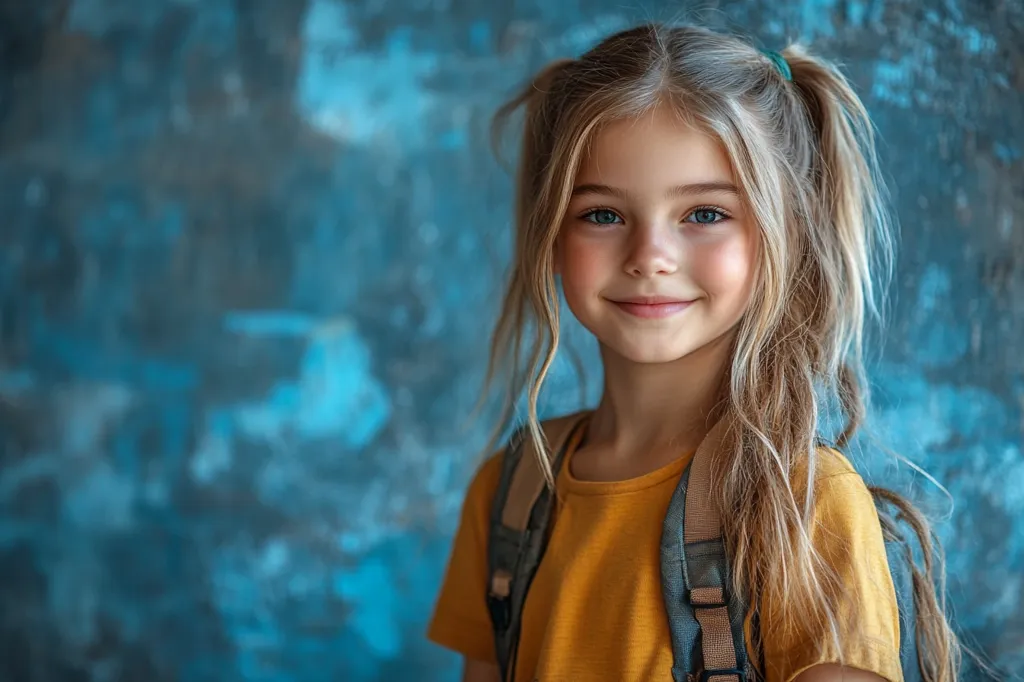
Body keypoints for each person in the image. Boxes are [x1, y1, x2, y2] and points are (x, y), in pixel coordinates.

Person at [427, 23, 960, 682]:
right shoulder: (508, 495)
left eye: (705, 214)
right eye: (602, 214)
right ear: (551, 234)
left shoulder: (805, 510)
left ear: (781, 235)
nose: (649, 256)